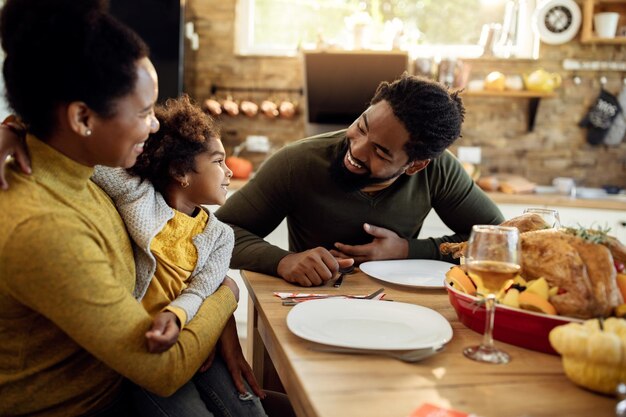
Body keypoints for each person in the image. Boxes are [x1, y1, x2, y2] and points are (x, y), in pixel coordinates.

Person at [0, 1, 237, 415]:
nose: (156, 125)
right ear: (82, 118)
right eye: (144, 112)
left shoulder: (84, 172)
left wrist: (16, 125)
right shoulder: (44, 226)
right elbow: (163, 369)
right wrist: (227, 295)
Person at [214, 74, 504, 286]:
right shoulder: (296, 162)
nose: (356, 149)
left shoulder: (439, 171)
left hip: (401, 306)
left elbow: (498, 240)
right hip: (309, 302)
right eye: (362, 127)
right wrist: (281, 261)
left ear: (415, 166)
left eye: (380, 151)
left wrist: (406, 250)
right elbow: (215, 235)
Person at [89, 95, 267, 417]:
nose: (229, 172)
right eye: (217, 161)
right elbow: (88, 159)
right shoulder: (139, 198)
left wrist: (175, 316)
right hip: (148, 350)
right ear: (180, 171)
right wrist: (19, 130)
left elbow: (201, 289)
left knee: (249, 408)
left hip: (193, 338)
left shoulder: (221, 236)